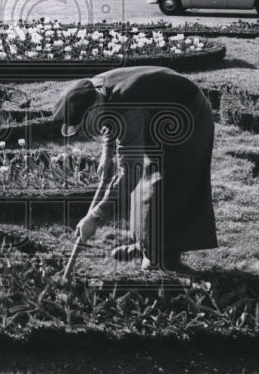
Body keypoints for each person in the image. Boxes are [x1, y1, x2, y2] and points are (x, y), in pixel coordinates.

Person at [53, 67, 217, 271]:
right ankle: (144, 246)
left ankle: (162, 256)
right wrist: (106, 153)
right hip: (158, 114)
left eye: (84, 125)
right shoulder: (93, 90)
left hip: (189, 119)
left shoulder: (128, 111)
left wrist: (94, 216)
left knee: (166, 188)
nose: (86, 132)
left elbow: (130, 172)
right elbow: (108, 116)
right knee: (142, 189)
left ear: (92, 110)